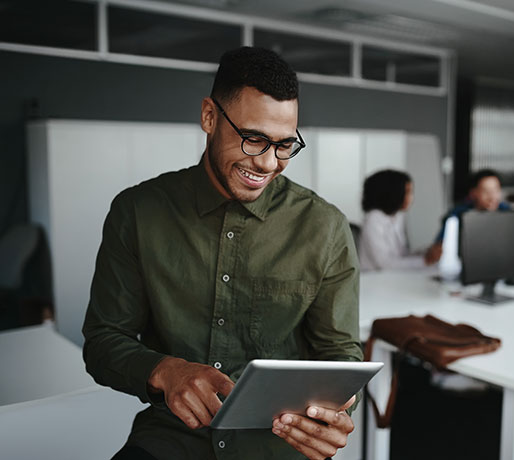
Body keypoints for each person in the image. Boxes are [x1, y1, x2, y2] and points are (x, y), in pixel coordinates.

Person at [82, 47, 363, 460]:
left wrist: (336, 410)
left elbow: (341, 357)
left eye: (285, 145)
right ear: (209, 117)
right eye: (254, 139)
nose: (269, 163)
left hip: (278, 445)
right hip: (170, 441)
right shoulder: (137, 212)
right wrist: (164, 370)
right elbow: (104, 341)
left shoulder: (325, 227)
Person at [426, 168, 510, 265]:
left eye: (496, 190)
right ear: (473, 193)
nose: (492, 197)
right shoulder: (457, 215)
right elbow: (437, 249)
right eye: (486, 191)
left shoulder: (506, 211)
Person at [358, 169, 431, 270]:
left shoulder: (397, 217)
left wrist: (425, 254)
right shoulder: (373, 219)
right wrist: (425, 261)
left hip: (393, 278)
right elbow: (385, 264)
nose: (411, 198)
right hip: (374, 280)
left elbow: (401, 256)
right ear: (393, 193)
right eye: (407, 192)